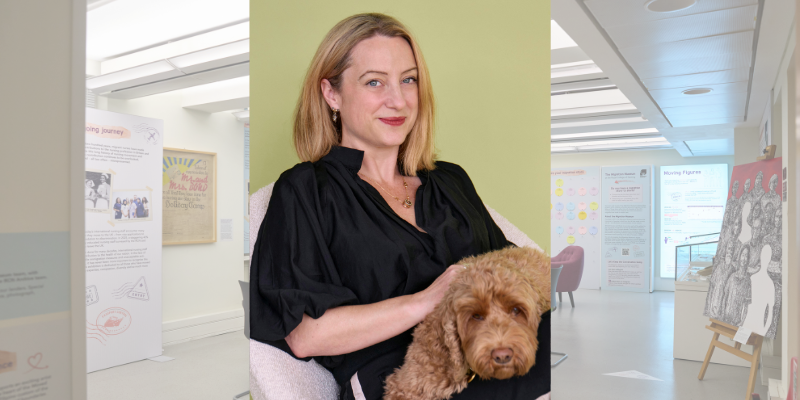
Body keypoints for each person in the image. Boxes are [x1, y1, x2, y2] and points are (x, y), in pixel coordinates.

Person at [249, 13, 549, 400]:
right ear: (332, 94)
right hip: (403, 378)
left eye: (408, 80)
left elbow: (507, 269)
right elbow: (307, 334)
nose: (398, 100)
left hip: (493, 350)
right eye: (374, 82)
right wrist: (427, 300)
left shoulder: (449, 180)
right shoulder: (305, 190)